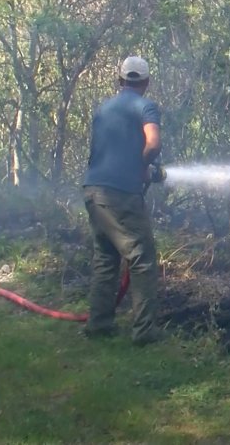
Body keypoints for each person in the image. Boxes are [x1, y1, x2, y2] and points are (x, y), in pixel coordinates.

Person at [81, 55, 163, 345]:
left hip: (93, 190)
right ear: (147, 82)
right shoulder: (145, 106)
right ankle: (144, 332)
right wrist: (142, 167)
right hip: (120, 195)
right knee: (142, 259)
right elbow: (153, 144)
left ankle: (99, 324)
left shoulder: (103, 109)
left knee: (106, 258)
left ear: (120, 81)